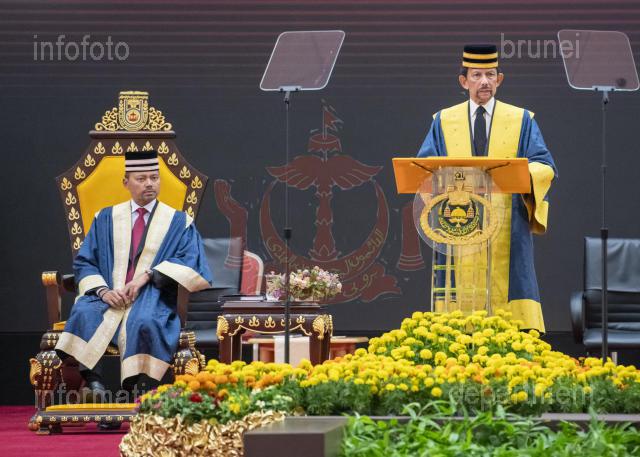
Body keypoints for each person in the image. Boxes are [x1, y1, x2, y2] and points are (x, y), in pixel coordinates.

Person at [417, 44, 557, 332]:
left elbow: (544, 164)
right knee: (456, 311)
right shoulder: (443, 121)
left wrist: (521, 175)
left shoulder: (521, 120)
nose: (484, 81)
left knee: (512, 288)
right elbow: (425, 168)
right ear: (463, 81)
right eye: (477, 75)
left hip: (507, 222)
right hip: (458, 222)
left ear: (499, 79)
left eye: (490, 75)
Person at [56, 150, 212, 397]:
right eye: (141, 178)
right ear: (125, 182)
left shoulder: (179, 222)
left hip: (152, 294)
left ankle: (132, 386)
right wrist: (104, 291)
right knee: (85, 311)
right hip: (108, 294)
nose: (149, 183)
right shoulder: (105, 218)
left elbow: (191, 263)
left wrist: (147, 276)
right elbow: (85, 262)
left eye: (154, 177)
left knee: (145, 320)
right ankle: (94, 383)